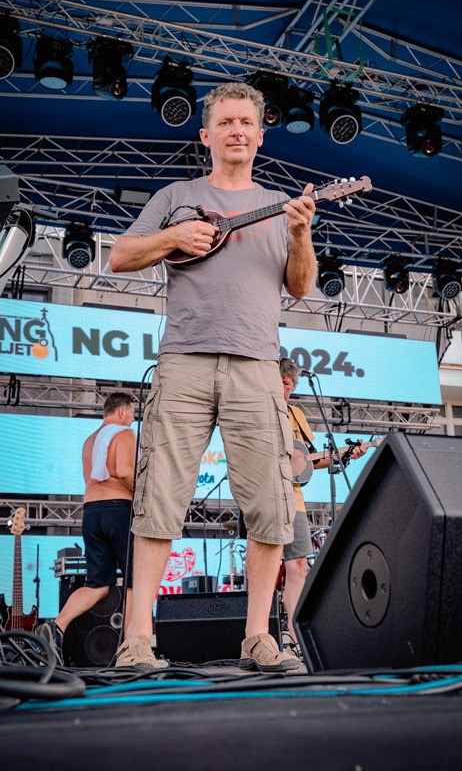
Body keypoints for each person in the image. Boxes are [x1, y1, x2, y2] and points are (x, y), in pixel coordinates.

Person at [109, 81, 318, 673]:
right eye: (225, 122)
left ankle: (258, 637)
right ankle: (137, 640)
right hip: (184, 361)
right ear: (206, 135)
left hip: (258, 366)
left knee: (270, 503)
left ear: (260, 135)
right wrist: (173, 237)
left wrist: (301, 234)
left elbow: (300, 286)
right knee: (159, 497)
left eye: (246, 123)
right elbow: (119, 256)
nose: (236, 131)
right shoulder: (177, 196)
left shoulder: (280, 206)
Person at [36, 392, 137, 664]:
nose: (132, 419)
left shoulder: (89, 441)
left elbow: (89, 477)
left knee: (98, 584)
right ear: (122, 412)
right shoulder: (124, 434)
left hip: (92, 511)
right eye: (132, 413)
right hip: (119, 509)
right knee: (134, 582)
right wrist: (142, 491)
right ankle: (131, 647)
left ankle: (56, 626)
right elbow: (124, 471)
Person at [279, 357, 366, 649]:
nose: (286, 389)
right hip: (263, 495)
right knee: (263, 567)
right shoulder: (257, 409)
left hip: (294, 498)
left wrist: (346, 453)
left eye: (290, 384)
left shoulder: (296, 414)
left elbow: (309, 460)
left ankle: (294, 638)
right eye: (281, 383)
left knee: (298, 565)